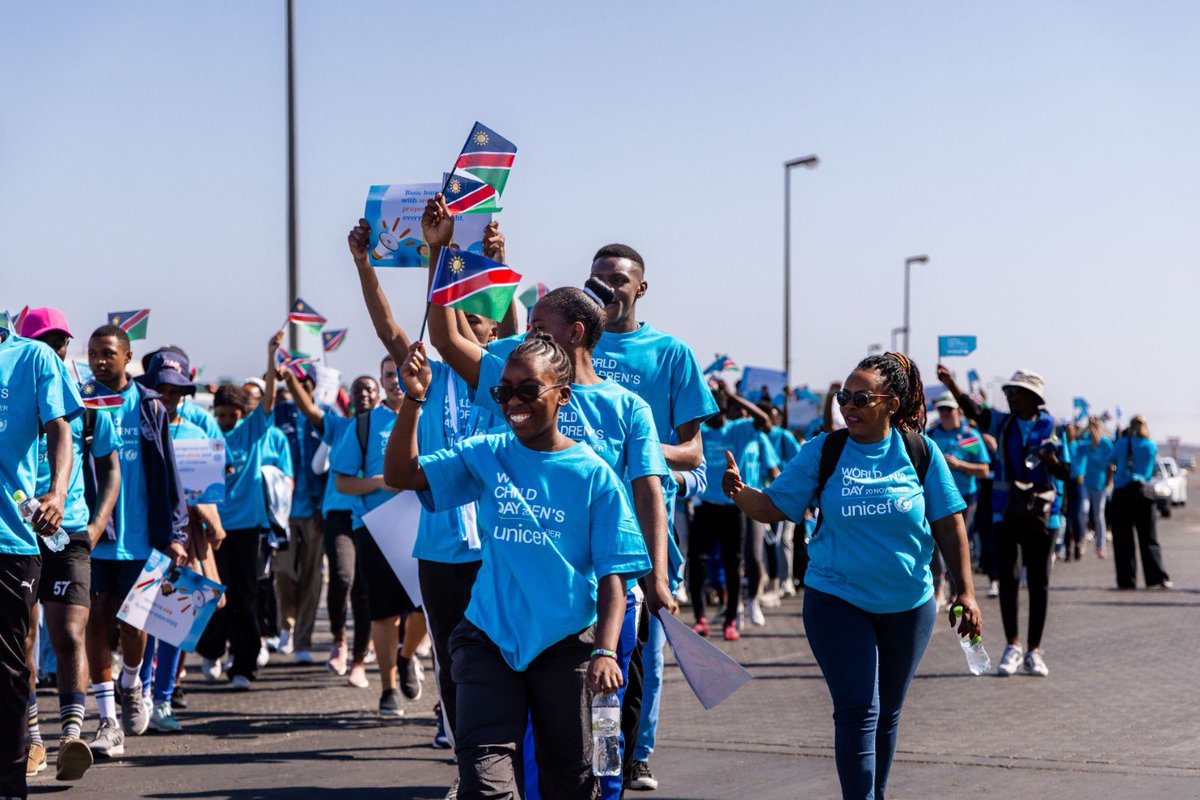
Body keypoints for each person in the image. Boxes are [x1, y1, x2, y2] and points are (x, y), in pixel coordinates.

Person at [424, 196, 673, 799]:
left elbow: (648, 495)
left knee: (600, 747)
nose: (528, 334)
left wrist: (658, 580)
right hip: (525, 598)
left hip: (609, 600)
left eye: (539, 327)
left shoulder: (626, 407)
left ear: (576, 333)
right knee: (530, 752)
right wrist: (440, 251)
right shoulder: (520, 385)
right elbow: (447, 340)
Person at [385, 336, 652, 799]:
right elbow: (401, 475)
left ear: (562, 395)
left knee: (570, 781)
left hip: (566, 644)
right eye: (503, 391)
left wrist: (605, 651)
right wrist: (414, 398)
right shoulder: (488, 451)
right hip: (489, 637)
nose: (513, 402)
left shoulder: (594, 476)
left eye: (528, 390)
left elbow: (615, 576)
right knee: (486, 783)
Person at [727, 353, 980, 800]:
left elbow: (948, 523)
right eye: (845, 396)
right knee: (859, 710)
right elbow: (773, 508)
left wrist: (968, 593)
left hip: (909, 605)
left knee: (888, 713)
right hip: (835, 599)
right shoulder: (825, 450)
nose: (849, 405)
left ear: (893, 403)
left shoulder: (920, 452)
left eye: (861, 397)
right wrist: (741, 494)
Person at [347, 214, 505, 740]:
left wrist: (491, 257)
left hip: (495, 544)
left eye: (474, 321)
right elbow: (387, 325)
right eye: (456, 318)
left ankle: (496, 752)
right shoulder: (427, 377)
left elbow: (492, 300)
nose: (461, 327)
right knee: (451, 654)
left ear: (495, 332)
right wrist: (364, 265)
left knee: (501, 653)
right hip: (438, 547)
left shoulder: (502, 381)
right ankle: (463, 750)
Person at [18, 309, 120, 782]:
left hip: (70, 531)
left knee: (71, 633)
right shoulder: (15, 388)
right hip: (18, 531)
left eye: (59, 342)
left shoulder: (88, 406)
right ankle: (33, 740)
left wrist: (96, 526)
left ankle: (72, 736)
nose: (53, 350)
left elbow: (111, 468)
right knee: (22, 638)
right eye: (43, 341)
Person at [84, 324, 189, 757]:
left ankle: (132, 680)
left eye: (107, 353)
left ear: (128, 358)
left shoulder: (150, 407)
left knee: (134, 626)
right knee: (96, 620)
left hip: (144, 537)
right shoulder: (80, 401)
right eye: (92, 353)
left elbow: (170, 475)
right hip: (92, 536)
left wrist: (178, 535)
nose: (99, 361)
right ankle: (108, 719)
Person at [939, 366, 1068, 678]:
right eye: (1008, 392)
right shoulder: (1002, 423)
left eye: (1015, 392)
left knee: (1038, 582)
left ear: (1032, 398)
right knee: (1008, 579)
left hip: (1043, 515)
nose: (1009, 397)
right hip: (1005, 512)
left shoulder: (1055, 430)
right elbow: (975, 409)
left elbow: (1069, 473)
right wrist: (952, 384)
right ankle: (1013, 645)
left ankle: (1035, 651)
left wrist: (1052, 461)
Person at [1, 319, 83, 800]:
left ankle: (10, 780)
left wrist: (55, 490)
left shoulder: (32, 358)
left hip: (9, 539)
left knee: (9, 666)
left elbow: (60, 427)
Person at [330, 350, 426, 704]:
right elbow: (342, 483)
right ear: (382, 380)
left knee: (423, 608)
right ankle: (387, 689)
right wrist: (379, 482)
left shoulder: (429, 416)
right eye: (389, 375)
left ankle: (406, 657)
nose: (396, 382)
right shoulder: (365, 424)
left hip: (424, 524)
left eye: (401, 374)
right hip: (375, 529)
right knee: (383, 612)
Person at [138, 349, 227, 731]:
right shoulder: (138, 423)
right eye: (163, 388)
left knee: (174, 622)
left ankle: (162, 699)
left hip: (186, 539)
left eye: (177, 391)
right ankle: (137, 694)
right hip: (145, 533)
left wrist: (211, 521)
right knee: (141, 621)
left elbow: (210, 493)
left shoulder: (196, 432)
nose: (170, 397)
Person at [194, 333, 286, 690]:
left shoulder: (252, 432)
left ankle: (244, 665)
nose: (227, 420)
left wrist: (270, 357)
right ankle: (212, 650)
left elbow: (269, 400)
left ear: (242, 414)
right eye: (221, 414)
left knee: (246, 596)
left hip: (248, 528)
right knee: (213, 593)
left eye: (232, 414)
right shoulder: (204, 435)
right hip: (213, 529)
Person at [284, 370, 377, 677]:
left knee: (365, 588)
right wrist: (289, 380)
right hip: (338, 515)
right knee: (342, 577)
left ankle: (360, 661)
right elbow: (309, 409)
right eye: (358, 389)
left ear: (378, 397)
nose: (364, 394)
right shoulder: (339, 427)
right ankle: (339, 639)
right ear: (349, 398)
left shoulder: (389, 426)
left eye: (369, 389)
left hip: (372, 517)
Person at [689, 381, 777, 640]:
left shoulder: (740, 429)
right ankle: (700, 618)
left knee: (733, 563)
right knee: (697, 563)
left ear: (727, 406)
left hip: (733, 508)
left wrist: (734, 396)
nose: (714, 410)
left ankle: (730, 620)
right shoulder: (698, 431)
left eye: (720, 404)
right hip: (705, 508)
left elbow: (764, 420)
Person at [271, 369, 325, 664]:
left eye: (305, 383)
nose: (300, 387)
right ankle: (285, 626)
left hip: (316, 510)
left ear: (313, 386)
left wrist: (324, 506)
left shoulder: (324, 415)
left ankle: (303, 639)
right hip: (285, 510)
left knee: (311, 576)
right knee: (283, 572)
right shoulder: (280, 413)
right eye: (295, 382)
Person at [926, 392, 990, 608]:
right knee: (934, 543)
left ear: (958, 411)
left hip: (964, 498)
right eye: (941, 409)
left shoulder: (969, 436)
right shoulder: (932, 434)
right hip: (935, 497)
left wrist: (959, 464)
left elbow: (983, 469)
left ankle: (958, 592)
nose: (944, 413)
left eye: (948, 409)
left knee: (957, 542)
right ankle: (939, 589)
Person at [1108, 415, 1171, 589]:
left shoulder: (1122, 443)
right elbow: (1148, 469)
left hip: (1122, 493)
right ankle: (1156, 577)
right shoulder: (1150, 445)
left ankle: (1127, 579)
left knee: (1123, 540)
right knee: (1149, 538)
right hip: (1144, 493)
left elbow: (1111, 460)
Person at [1081, 417, 1114, 559]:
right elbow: (1075, 442)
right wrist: (1086, 428)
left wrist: (1110, 480)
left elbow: (1110, 464)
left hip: (1099, 484)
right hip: (1084, 482)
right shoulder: (1085, 439)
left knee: (1099, 515)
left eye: (1095, 425)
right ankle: (1081, 539)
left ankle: (1101, 546)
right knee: (1083, 511)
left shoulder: (1106, 443)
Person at [1061, 422, 1089, 561]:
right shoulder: (1063, 446)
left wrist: (1090, 427)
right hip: (1065, 483)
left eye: (1071, 430)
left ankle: (1078, 544)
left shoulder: (1080, 446)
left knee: (1076, 515)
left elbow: (1095, 442)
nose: (1069, 432)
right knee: (1066, 517)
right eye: (1066, 430)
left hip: (1077, 483)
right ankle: (1067, 548)